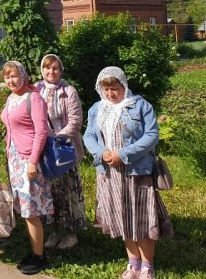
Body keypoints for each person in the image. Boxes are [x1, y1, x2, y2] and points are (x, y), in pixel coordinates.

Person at [83, 66, 174, 279]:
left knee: (141, 217)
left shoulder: (140, 106)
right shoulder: (97, 109)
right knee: (123, 217)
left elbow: (152, 135)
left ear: (124, 85)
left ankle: (147, 266)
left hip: (137, 172)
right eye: (106, 89)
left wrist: (123, 154)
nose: (110, 93)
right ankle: (133, 263)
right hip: (110, 174)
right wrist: (102, 152)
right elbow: (88, 135)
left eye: (114, 88)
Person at [0, 61, 54, 275]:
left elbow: (41, 132)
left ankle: (40, 256)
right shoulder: (11, 98)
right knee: (24, 209)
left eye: (14, 76)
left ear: (23, 75)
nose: (11, 81)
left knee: (32, 211)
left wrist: (32, 161)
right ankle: (33, 251)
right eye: (7, 77)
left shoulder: (34, 98)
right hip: (14, 159)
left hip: (28, 161)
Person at [36, 54, 87, 249]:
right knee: (49, 191)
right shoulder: (37, 89)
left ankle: (70, 232)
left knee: (67, 190)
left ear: (61, 70)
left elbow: (75, 121)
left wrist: (56, 139)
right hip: (43, 149)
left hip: (63, 148)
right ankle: (55, 230)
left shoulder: (69, 91)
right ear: (42, 70)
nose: (51, 72)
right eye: (47, 68)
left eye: (55, 68)